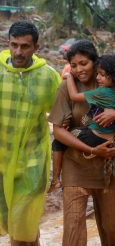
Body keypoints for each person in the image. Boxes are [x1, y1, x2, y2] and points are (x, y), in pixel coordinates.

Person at [48, 40, 115, 246]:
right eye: (74, 65)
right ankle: (57, 179)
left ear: (96, 62)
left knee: (114, 228)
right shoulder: (66, 88)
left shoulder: (113, 85)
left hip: (110, 167)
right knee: (73, 231)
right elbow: (58, 130)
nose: (79, 70)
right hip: (76, 166)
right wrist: (91, 149)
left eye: (84, 63)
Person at [0, 20, 61, 245]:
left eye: (25, 46)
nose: (18, 52)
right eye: (14, 45)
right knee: (15, 225)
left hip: (32, 163)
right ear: (8, 44)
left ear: (37, 47)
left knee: (23, 223)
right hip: (1, 161)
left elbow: (65, 116)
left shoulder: (48, 77)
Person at [48, 54, 115, 192]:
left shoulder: (102, 93)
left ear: (114, 76)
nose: (97, 78)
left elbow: (74, 96)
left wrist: (69, 77)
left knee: (60, 140)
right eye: (97, 74)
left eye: (102, 75)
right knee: (92, 113)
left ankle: (55, 180)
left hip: (95, 138)